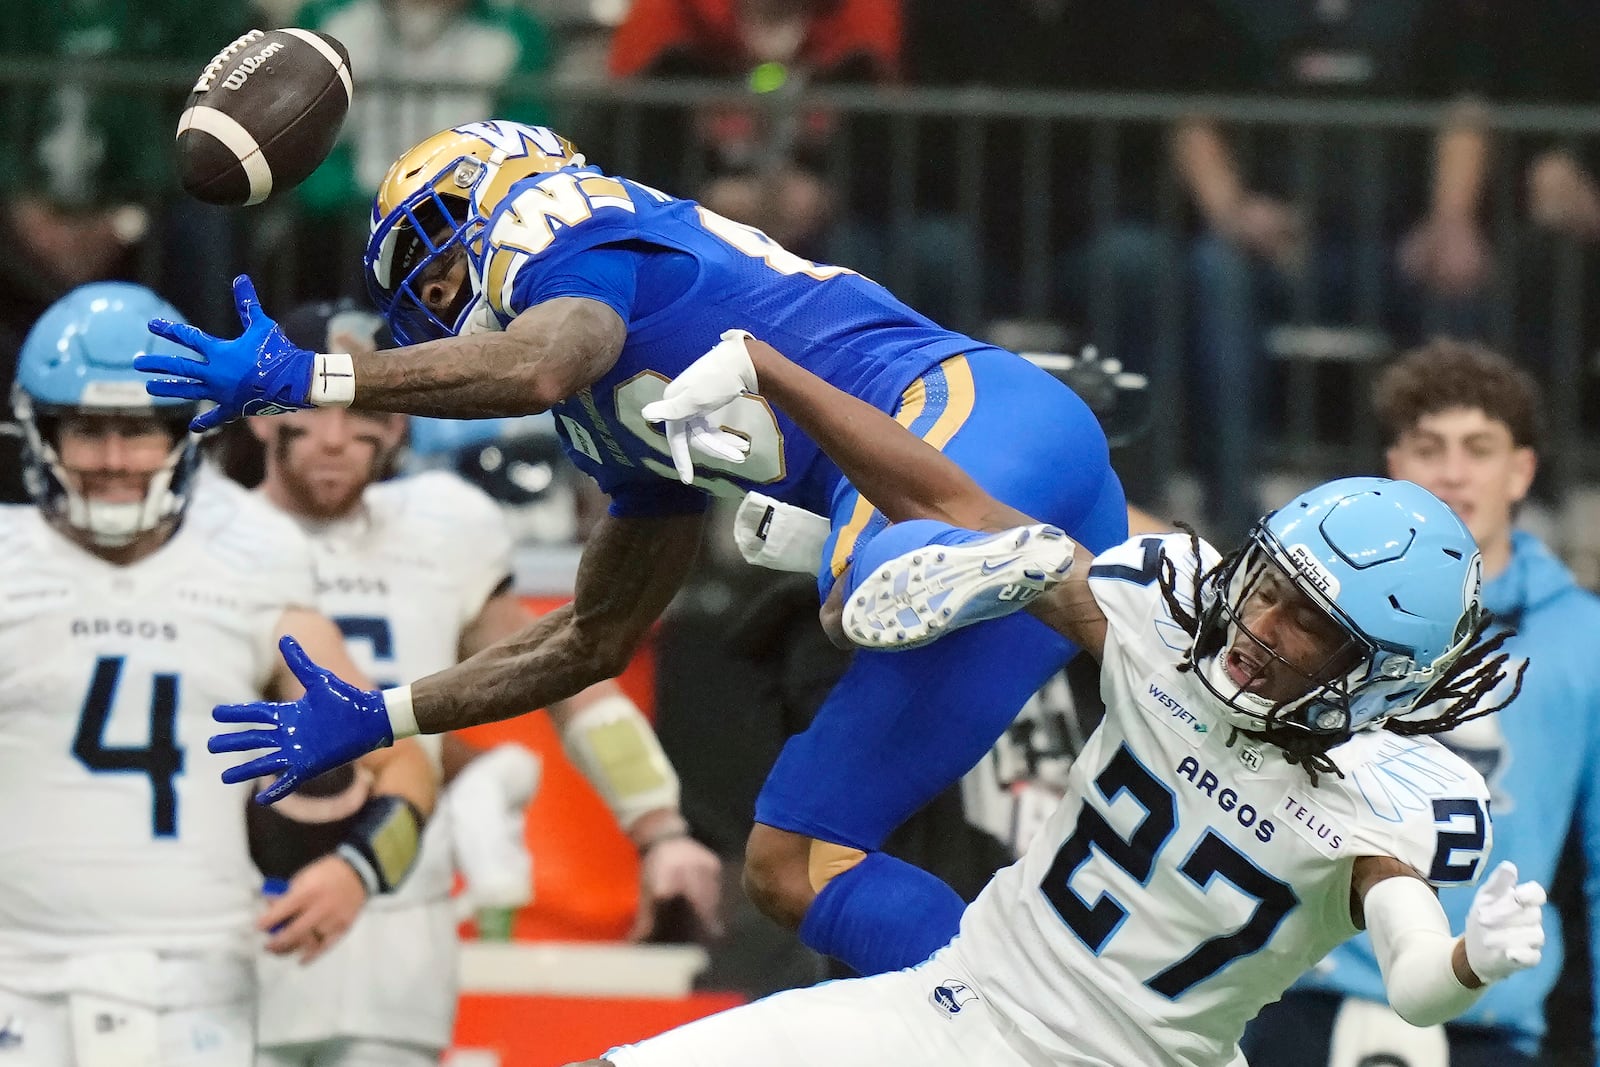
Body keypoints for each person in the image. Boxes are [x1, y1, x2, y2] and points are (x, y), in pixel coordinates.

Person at [133, 119, 1129, 975]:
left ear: (498, 193)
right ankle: (1019, 1013)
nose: (438, 293)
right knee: (794, 860)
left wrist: (319, 378)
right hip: (966, 535)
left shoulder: (564, 223)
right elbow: (590, 639)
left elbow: (541, 360)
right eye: (420, 291)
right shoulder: (600, 416)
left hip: (964, 419)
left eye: (439, 252)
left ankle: (1033, 566)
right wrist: (390, 713)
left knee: (857, 577)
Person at [558, 332, 1543, 1067]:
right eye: (1270, 585)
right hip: (959, 1005)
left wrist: (1469, 960)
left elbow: (1416, 983)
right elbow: (960, 509)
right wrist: (773, 371)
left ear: (1379, 671)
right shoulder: (1166, 621)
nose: (1262, 625)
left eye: (1310, 626)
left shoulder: (1385, 796)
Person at [248, 301, 723, 1067]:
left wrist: (658, 825)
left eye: (362, 408)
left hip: (396, 919)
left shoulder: (443, 527)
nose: (336, 436)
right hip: (237, 920)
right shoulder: (212, 533)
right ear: (262, 417)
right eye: (312, 409)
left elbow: (563, 670)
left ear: (401, 421)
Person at [0, 282, 434, 1067]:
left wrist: (360, 870)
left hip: (197, 978)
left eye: (141, 430)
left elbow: (401, 757)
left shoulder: (251, 555)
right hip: (14, 975)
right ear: (41, 434)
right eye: (87, 429)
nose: (113, 460)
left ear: (185, 432)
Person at [1241, 339, 1600, 1067]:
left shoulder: (1584, 636)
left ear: (1521, 470)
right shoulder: (1320, 613)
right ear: (1395, 465)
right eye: (1429, 446)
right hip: (1301, 987)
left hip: (1488, 1008)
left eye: (1480, 447)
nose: (1454, 471)